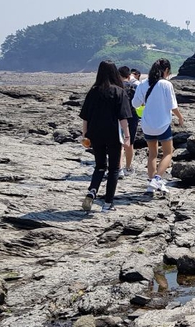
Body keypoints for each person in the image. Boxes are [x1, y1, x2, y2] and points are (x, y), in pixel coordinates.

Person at [79, 61, 132, 213]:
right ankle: (108, 204)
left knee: (100, 166)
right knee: (114, 168)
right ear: (115, 73)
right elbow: (123, 118)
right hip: (113, 133)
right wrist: (127, 136)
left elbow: (85, 117)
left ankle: (92, 191)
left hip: (95, 133)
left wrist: (85, 135)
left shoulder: (93, 91)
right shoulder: (119, 91)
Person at [132, 58, 184, 194]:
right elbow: (173, 106)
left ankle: (151, 185)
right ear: (166, 70)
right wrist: (180, 117)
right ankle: (157, 178)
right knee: (168, 152)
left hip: (147, 124)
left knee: (152, 154)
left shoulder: (142, 83)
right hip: (162, 123)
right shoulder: (166, 84)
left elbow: (135, 104)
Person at [118, 65, 140, 176]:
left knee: (120, 144)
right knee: (130, 143)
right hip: (132, 116)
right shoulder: (135, 86)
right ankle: (128, 167)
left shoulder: (117, 87)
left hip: (119, 117)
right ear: (128, 75)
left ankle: (119, 168)